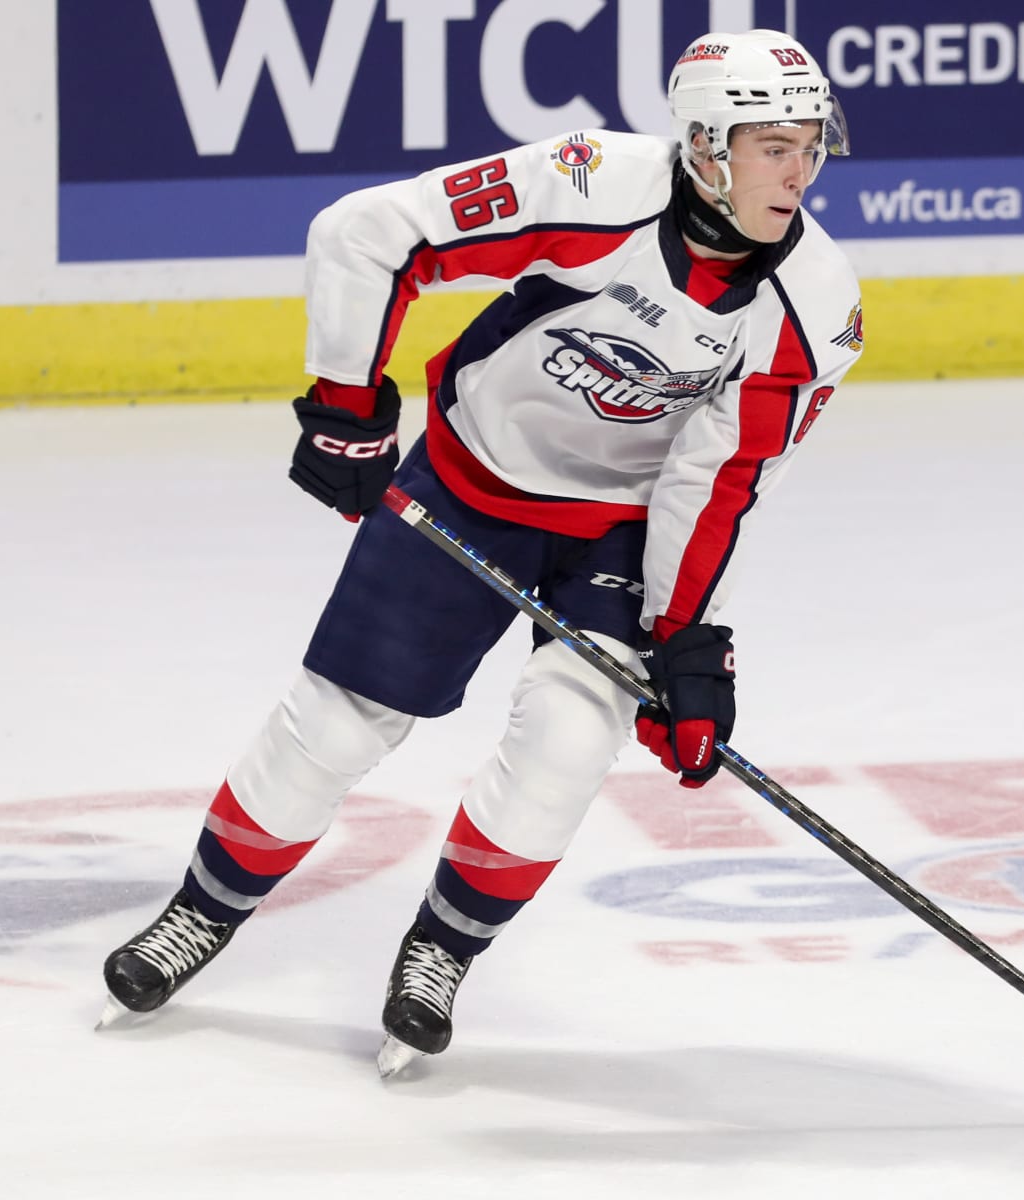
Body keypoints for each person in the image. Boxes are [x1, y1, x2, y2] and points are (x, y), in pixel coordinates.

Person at [99, 29, 863, 1074]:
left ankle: (442, 953)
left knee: (568, 743)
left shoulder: (814, 306)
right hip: (471, 481)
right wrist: (346, 406)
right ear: (702, 147)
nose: (800, 172)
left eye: (810, 147)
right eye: (774, 147)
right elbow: (369, 232)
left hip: (620, 530)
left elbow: (718, 480)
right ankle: (201, 910)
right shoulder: (590, 184)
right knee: (338, 721)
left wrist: (686, 640)